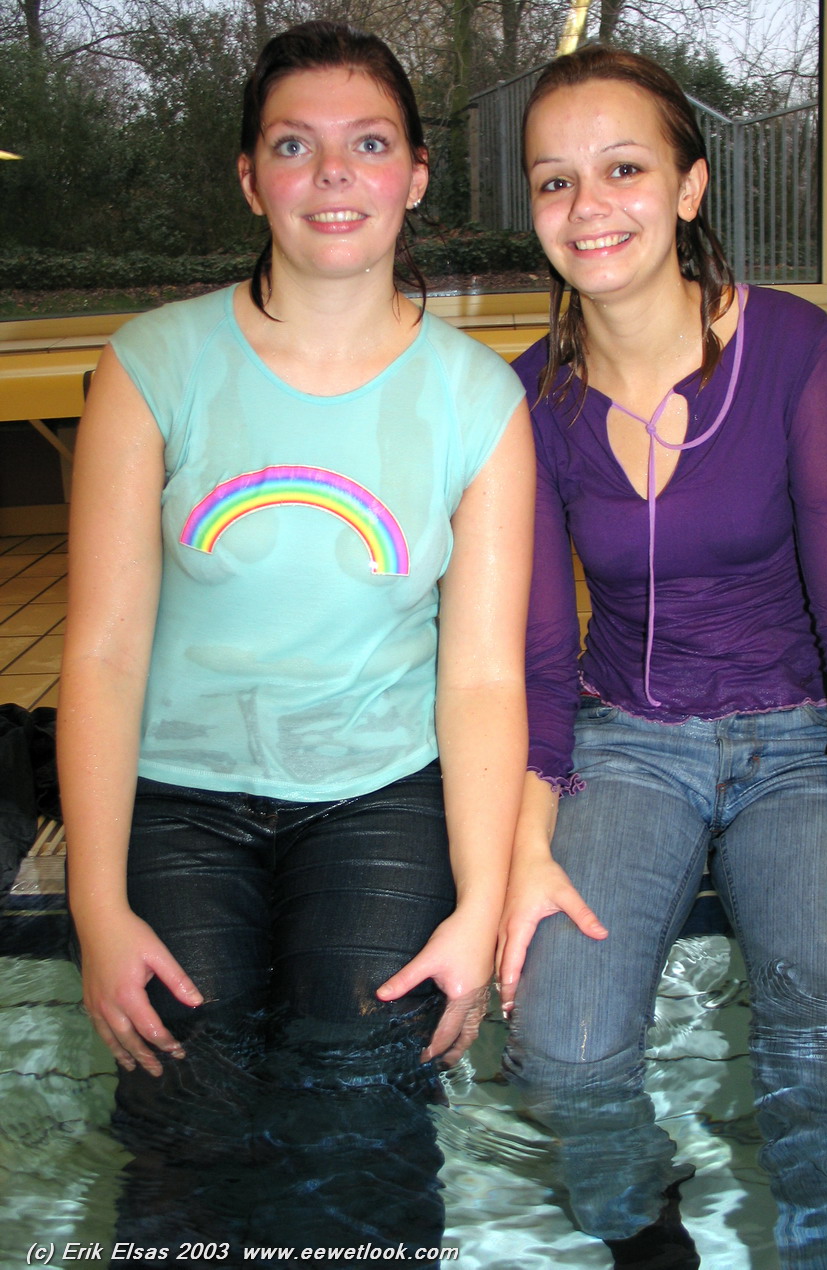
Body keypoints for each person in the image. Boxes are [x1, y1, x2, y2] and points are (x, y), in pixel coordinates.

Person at [58, 20, 533, 1263]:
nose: (332, 174)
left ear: (415, 175)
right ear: (249, 175)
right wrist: (97, 908)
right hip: (180, 794)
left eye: (368, 144)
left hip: (378, 794)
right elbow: (101, 654)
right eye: (293, 145)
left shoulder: (479, 400)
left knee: (362, 1098)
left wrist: (479, 907)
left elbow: (483, 678)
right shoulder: (152, 364)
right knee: (184, 1098)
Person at [497, 44, 827, 1270]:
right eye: (555, 180)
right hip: (626, 739)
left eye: (623, 169)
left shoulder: (787, 344)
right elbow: (538, 657)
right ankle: (643, 1229)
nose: (588, 206)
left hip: (796, 740)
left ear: (689, 187)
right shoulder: (531, 396)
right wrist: (526, 856)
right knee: (559, 1054)